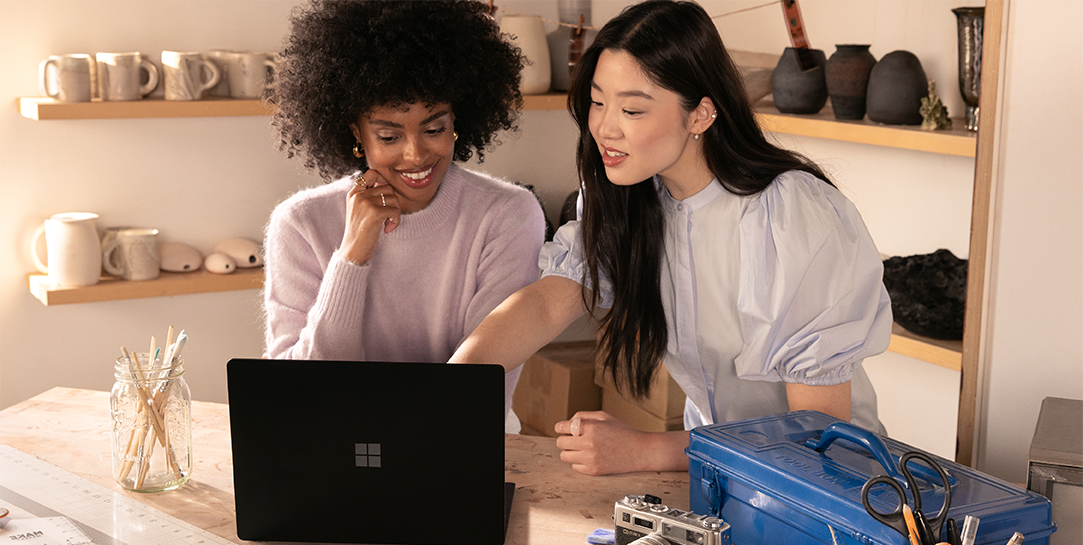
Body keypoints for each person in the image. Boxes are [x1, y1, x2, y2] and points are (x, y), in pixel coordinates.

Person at [450, 0, 892, 471]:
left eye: (632, 109)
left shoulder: (792, 215)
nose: (604, 128)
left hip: (831, 486)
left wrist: (645, 449)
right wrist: (449, 384)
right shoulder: (632, 200)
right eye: (598, 102)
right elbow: (545, 303)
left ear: (700, 115)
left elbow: (817, 434)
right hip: (715, 475)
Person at [263, 0, 546, 433]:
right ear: (357, 133)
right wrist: (351, 256)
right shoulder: (300, 224)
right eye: (389, 136)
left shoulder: (507, 215)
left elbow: (479, 391)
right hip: (334, 446)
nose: (416, 155)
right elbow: (297, 394)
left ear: (458, 120)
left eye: (434, 129)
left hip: (465, 444)